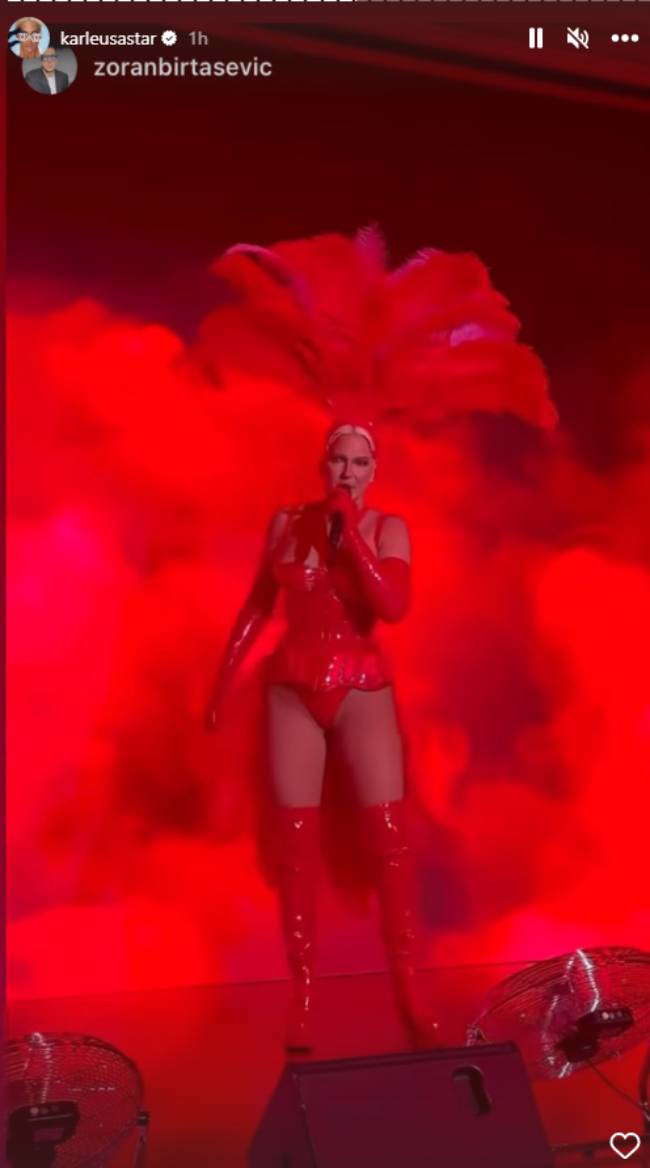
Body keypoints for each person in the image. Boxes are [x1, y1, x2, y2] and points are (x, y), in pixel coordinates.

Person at [203, 228, 554, 1054]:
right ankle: (302, 1001)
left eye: (359, 463)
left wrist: (351, 536)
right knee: (294, 848)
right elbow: (256, 605)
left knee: (388, 839)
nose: (347, 472)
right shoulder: (286, 524)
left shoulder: (388, 528)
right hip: (291, 685)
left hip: (362, 683)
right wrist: (220, 685)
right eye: (339, 460)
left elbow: (392, 605)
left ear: (373, 470)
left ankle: (410, 994)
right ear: (322, 461)